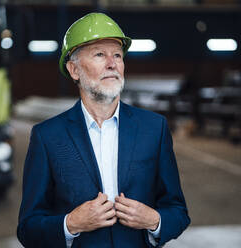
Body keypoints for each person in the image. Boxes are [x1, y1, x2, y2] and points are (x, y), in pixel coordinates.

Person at [17, 12, 190, 248]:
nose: (112, 63)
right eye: (100, 54)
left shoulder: (154, 129)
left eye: (117, 55)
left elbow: (178, 212)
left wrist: (155, 220)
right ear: (74, 70)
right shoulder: (47, 136)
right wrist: (71, 224)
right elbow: (28, 229)